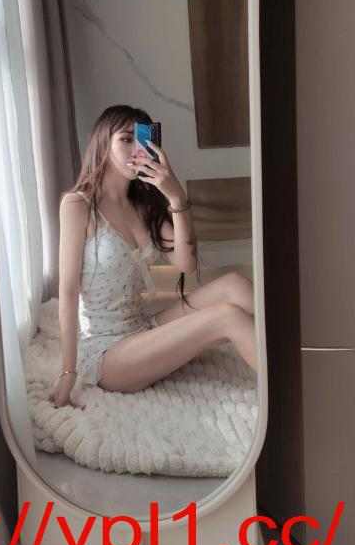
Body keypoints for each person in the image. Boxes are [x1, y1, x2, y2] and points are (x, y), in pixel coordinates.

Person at [52, 105, 257, 409]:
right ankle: (294, 382)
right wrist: (68, 373)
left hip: (144, 328)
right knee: (227, 315)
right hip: (108, 352)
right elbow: (68, 292)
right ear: (103, 144)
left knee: (234, 285)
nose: (136, 149)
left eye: (142, 141)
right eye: (125, 139)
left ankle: (293, 350)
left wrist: (176, 196)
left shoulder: (143, 208)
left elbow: (186, 263)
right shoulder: (78, 205)